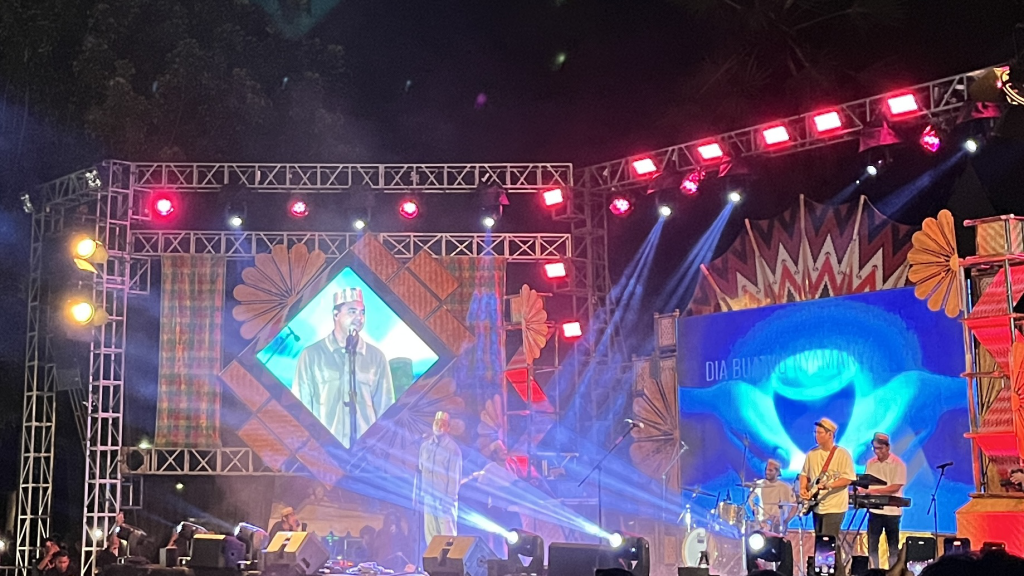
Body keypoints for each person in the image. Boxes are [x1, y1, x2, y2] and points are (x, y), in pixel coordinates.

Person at [294, 288, 395, 448]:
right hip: (324, 450)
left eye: (362, 312)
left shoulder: (376, 357)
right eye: (352, 311)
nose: (359, 317)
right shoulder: (311, 355)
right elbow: (299, 409)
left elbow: (386, 409)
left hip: (365, 451)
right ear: (336, 314)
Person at [799, 418, 856, 576]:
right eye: (815, 433)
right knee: (824, 542)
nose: (816, 436)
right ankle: (834, 573)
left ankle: (828, 573)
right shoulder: (812, 454)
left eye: (820, 433)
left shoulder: (842, 454)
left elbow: (848, 478)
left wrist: (830, 485)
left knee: (828, 541)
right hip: (817, 505)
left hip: (835, 505)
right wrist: (803, 488)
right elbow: (804, 474)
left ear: (830, 434)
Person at [862, 432, 907, 570]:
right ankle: (874, 571)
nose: (877, 452)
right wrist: (860, 490)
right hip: (874, 510)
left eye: (880, 448)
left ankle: (893, 571)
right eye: (875, 448)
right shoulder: (871, 463)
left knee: (893, 546)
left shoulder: (898, 464)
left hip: (892, 512)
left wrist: (875, 491)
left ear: (888, 447)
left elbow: (895, 487)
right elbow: (866, 484)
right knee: (872, 545)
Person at [418, 411, 462, 545]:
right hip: (428, 496)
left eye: (443, 424)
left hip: (444, 499)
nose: (439, 426)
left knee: (447, 536)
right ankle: (433, 558)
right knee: (431, 534)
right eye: (437, 423)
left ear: (448, 428)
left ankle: (450, 559)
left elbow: (455, 477)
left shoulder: (453, 449)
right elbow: (421, 469)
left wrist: (449, 499)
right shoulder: (425, 447)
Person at [749, 458, 796, 533]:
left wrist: (786, 521)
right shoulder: (759, 484)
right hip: (762, 524)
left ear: (777, 472)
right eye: (766, 470)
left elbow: (795, 505)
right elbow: (749, 498)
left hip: (778, 525)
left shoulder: (785, 487)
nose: (767, 472)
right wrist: (754, 509)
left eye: (770, 470)